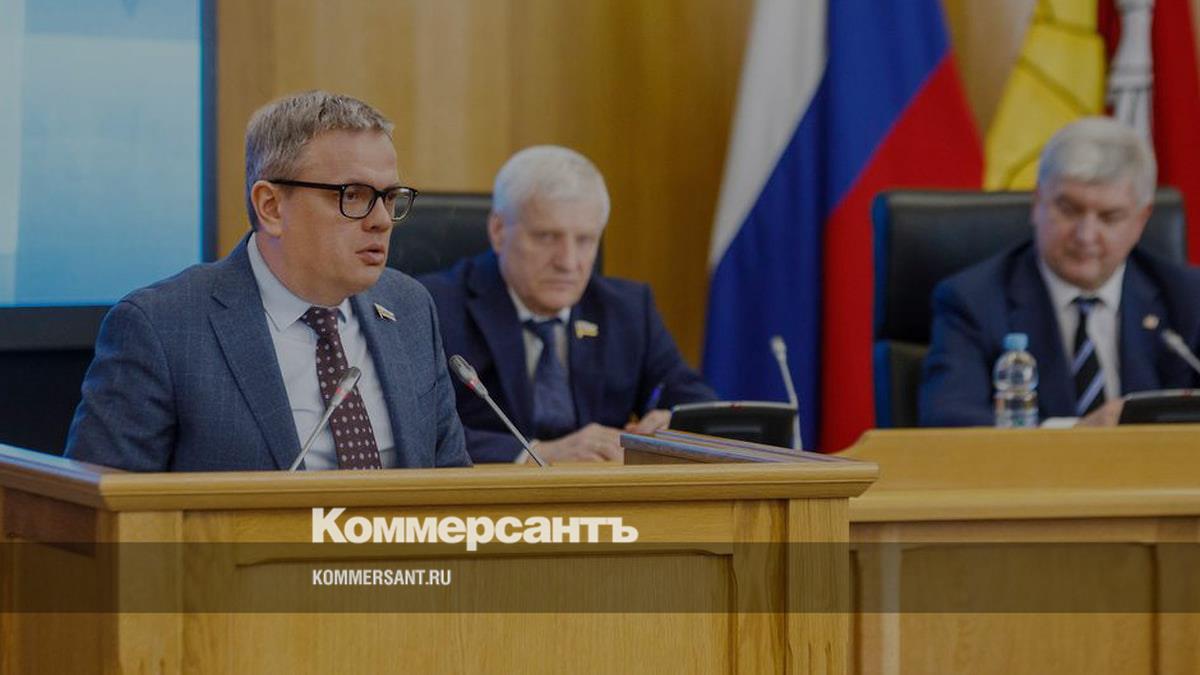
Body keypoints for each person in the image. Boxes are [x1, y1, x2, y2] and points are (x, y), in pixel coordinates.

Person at [65, 91, 469, 471]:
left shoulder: (408, 307)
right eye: (353, 195)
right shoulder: (162, 327)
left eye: (390, 197)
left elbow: (453, 484)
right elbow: (103, 505)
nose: (381, 220)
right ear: (271, 207)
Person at [420, 145, 716, 463]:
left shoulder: (627, 309)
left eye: (585, 240)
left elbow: (698, 406)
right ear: (498, 231)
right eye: (547, 237)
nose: (568, 262)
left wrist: (675, 423)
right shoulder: (432, 306)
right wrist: (536, 453)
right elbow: (417, 428)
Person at [920, 116, 1200, 428]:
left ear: (1141, 219)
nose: (1086, 235)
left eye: (1109, 217)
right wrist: (1076, 434)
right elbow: (948, 418)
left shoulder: (1188, 298)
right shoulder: (973, 301)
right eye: (1069, 210)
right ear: (1037, 202)